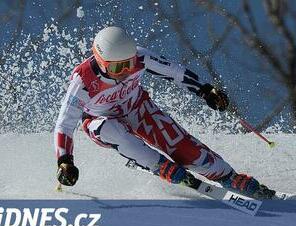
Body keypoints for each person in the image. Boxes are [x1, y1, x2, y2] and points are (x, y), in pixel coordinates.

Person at [55, 26, 275, 199]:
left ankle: (228, 176)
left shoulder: (140, 57)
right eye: (116, 68)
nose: (124, 72)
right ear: (101, 62)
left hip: (138, 108)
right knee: (115, 131)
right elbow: (65, 123)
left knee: (184, 147)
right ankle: (158, 165)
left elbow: (174, 71)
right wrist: (65, 160)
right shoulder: (83, 80)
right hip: (99, 121)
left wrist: (205, 90)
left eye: (128, 65)